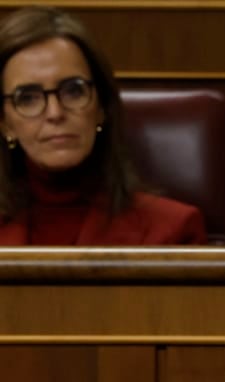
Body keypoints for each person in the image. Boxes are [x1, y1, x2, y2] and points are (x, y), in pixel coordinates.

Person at [0, 6, 205, 245]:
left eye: (74, 91)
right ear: (5, 124)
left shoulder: (174, 229)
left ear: (101, 108)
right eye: (28, 98)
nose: (55, 113)